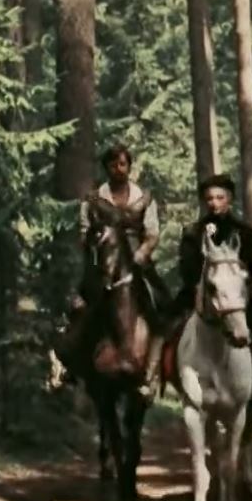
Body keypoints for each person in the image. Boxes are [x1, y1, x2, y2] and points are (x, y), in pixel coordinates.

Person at [59, 144, 171, 400]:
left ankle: (156, 369)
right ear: (106, 168)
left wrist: (142, 253)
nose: (118, 169)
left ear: (129, 167)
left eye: (122, 164)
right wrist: (95, 251)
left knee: (162, 304)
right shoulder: (93, 200)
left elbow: (152, 233)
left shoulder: (144, 198)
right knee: (81, 308)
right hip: (103, 262)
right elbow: (84, 233)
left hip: (138, 259)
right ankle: (74, 365)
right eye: (113, 165)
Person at [171, 173, 252, 407]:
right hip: (200, 292)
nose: (214, 203)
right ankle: (162, 377)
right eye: (209, 198)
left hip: (233, 295)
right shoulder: (192, 232)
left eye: (219, 197)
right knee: (169, 324)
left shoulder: (244, 231)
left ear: (229, 198)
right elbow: (186, 266)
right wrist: (201, 283)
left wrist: (235, 281)